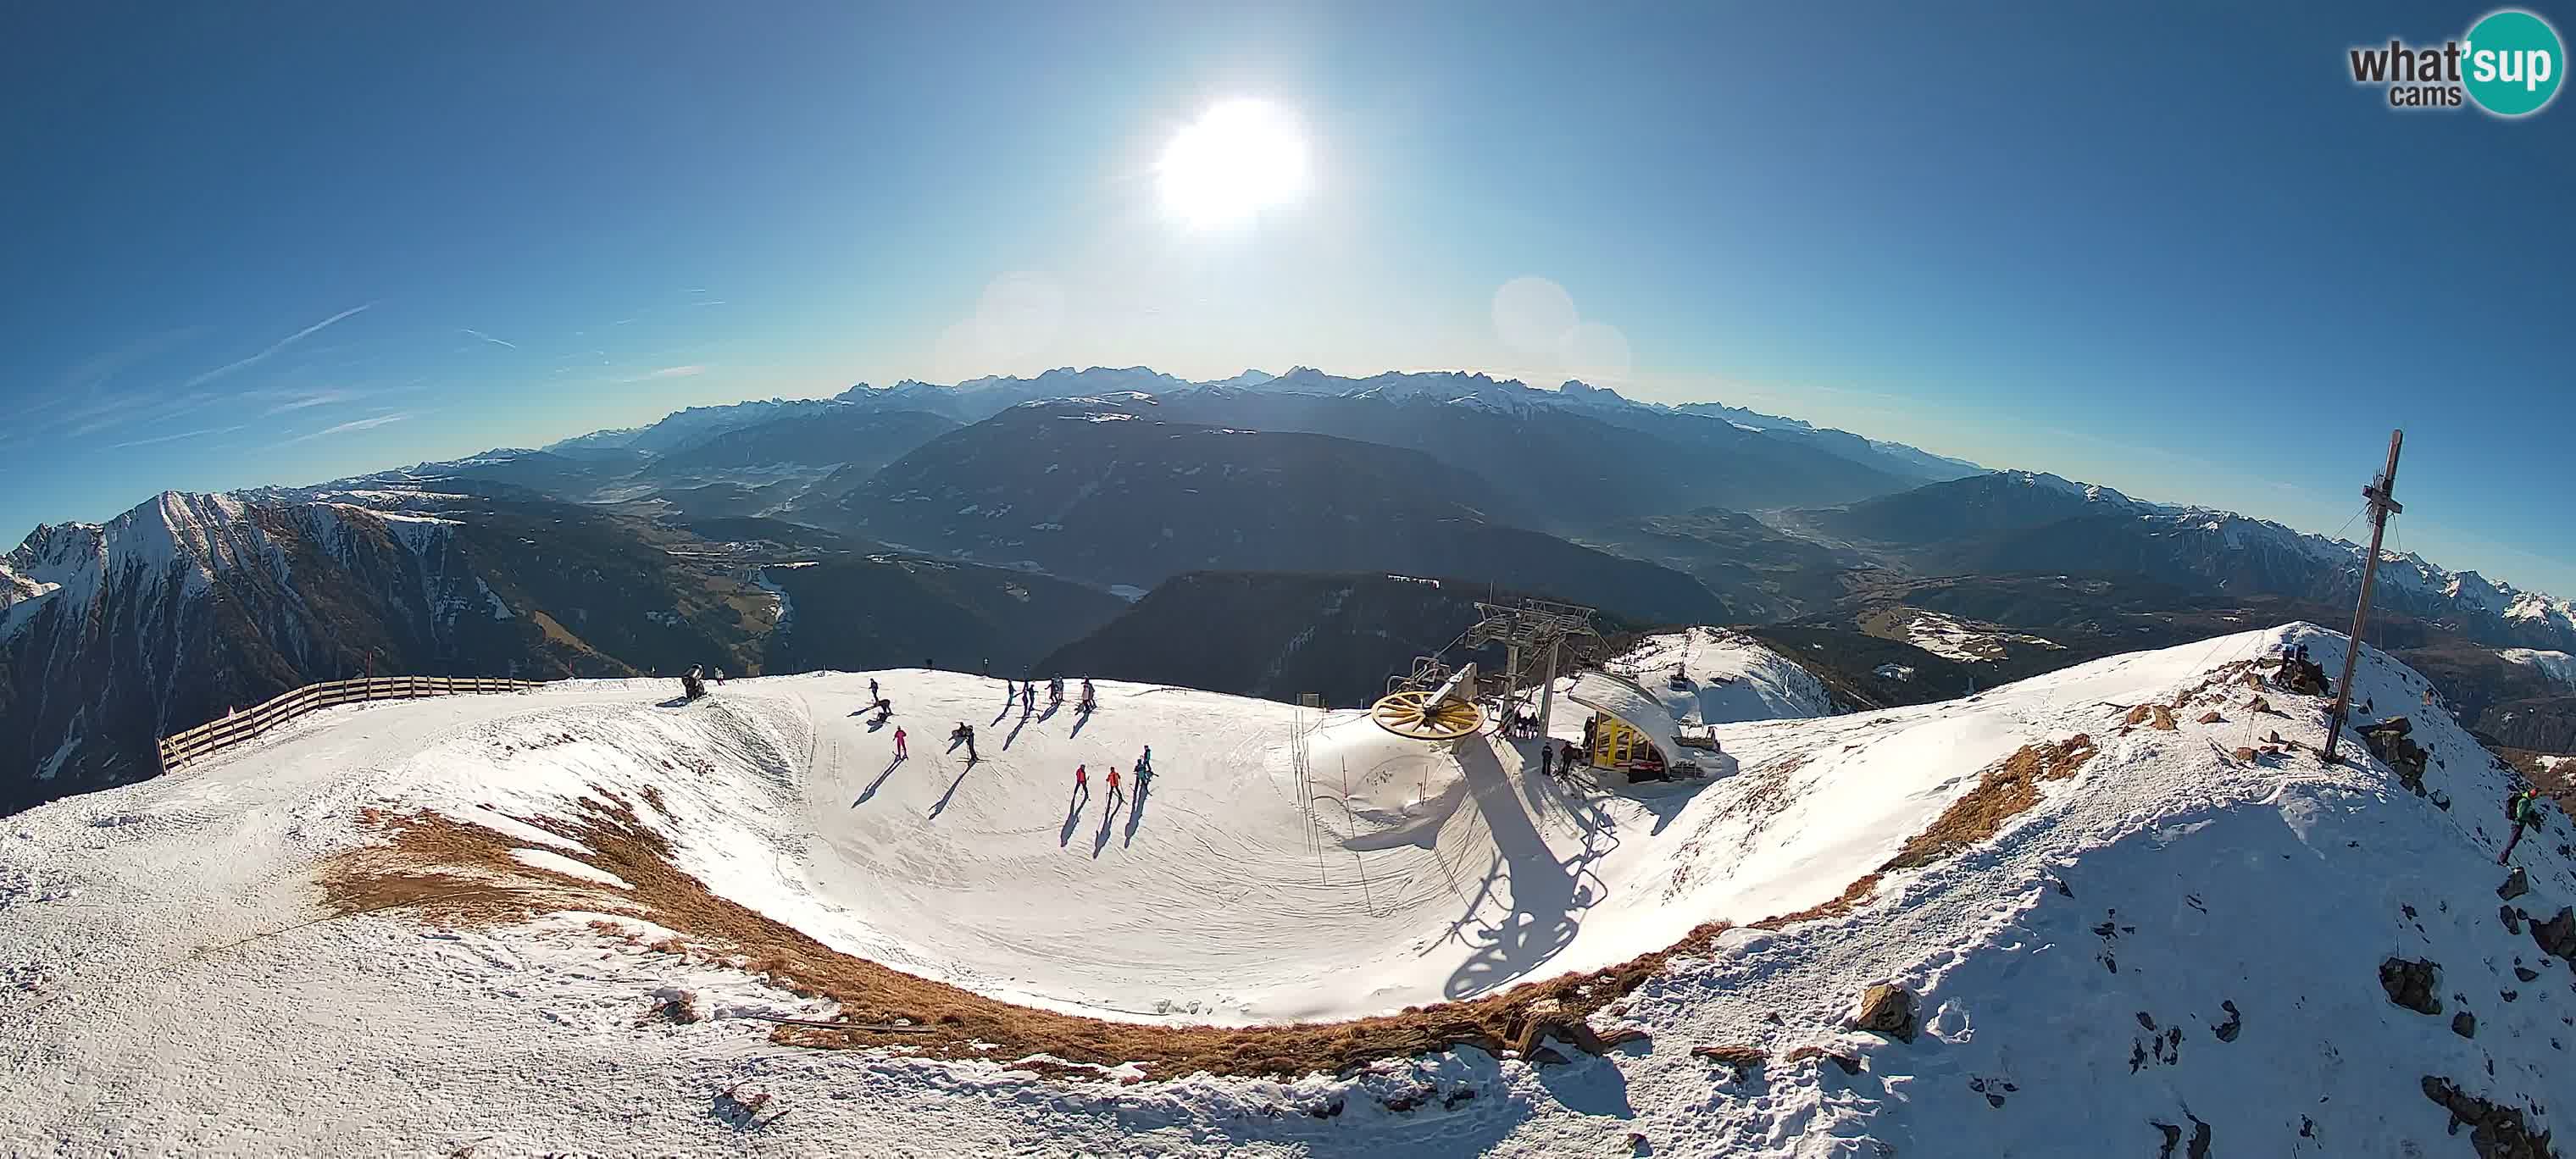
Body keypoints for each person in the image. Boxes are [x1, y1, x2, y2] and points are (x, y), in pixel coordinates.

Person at [2501, 787, 2543, 864]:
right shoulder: (2524, 801)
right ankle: (2502, 860)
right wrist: (2530, 818)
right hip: (2518, 825)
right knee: (2511, 843)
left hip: (2518, 824)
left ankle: (2504, 859)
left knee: (2513, 843)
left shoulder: (2525, 799)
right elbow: (2521, 815)